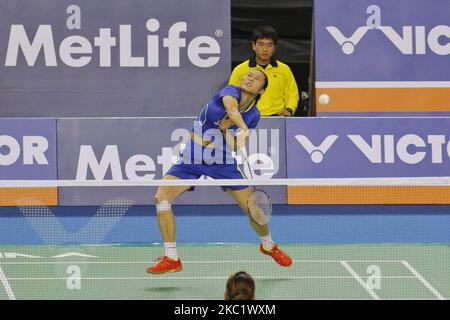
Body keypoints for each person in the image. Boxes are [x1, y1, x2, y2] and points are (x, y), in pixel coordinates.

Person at [146, 69, 292, 274]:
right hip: (193, 157)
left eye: (257, 78)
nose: (250, 78)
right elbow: (232, 111)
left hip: (222, 161)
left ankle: (268, 245)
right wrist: (244, 129)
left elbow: (232, 146)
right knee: (161, 198)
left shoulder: (254, 115)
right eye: (249, 75)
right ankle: (172, 257)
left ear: (263, 90)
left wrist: (226, 130)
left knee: (252, 208)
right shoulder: (229, 92)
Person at [229, 25, 299, 117]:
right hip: (247, 119)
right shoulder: (240, 70)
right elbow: (230, 94)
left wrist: (289, 109)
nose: (265, 49)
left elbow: (293, 94)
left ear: (274, 48)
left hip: (277, 119)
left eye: (269, 45)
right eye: (261, 44)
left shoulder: (284, 70)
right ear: (253, 46)